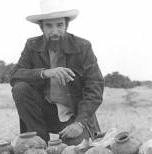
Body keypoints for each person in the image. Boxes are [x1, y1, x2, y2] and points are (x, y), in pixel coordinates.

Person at [9, 0, 104, 146]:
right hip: (45, 113)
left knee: (77, 150)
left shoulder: (83, 47)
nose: (54, 31)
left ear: (66, 25)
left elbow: (95, 88)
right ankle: (39, 141)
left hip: (74, 115)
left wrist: (79, 124)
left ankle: (77, 133)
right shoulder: (32, 45)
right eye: (48, 26)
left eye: (59, 25)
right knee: (20, 88)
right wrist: (45, 73)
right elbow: (14, 75)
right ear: (41, 27)